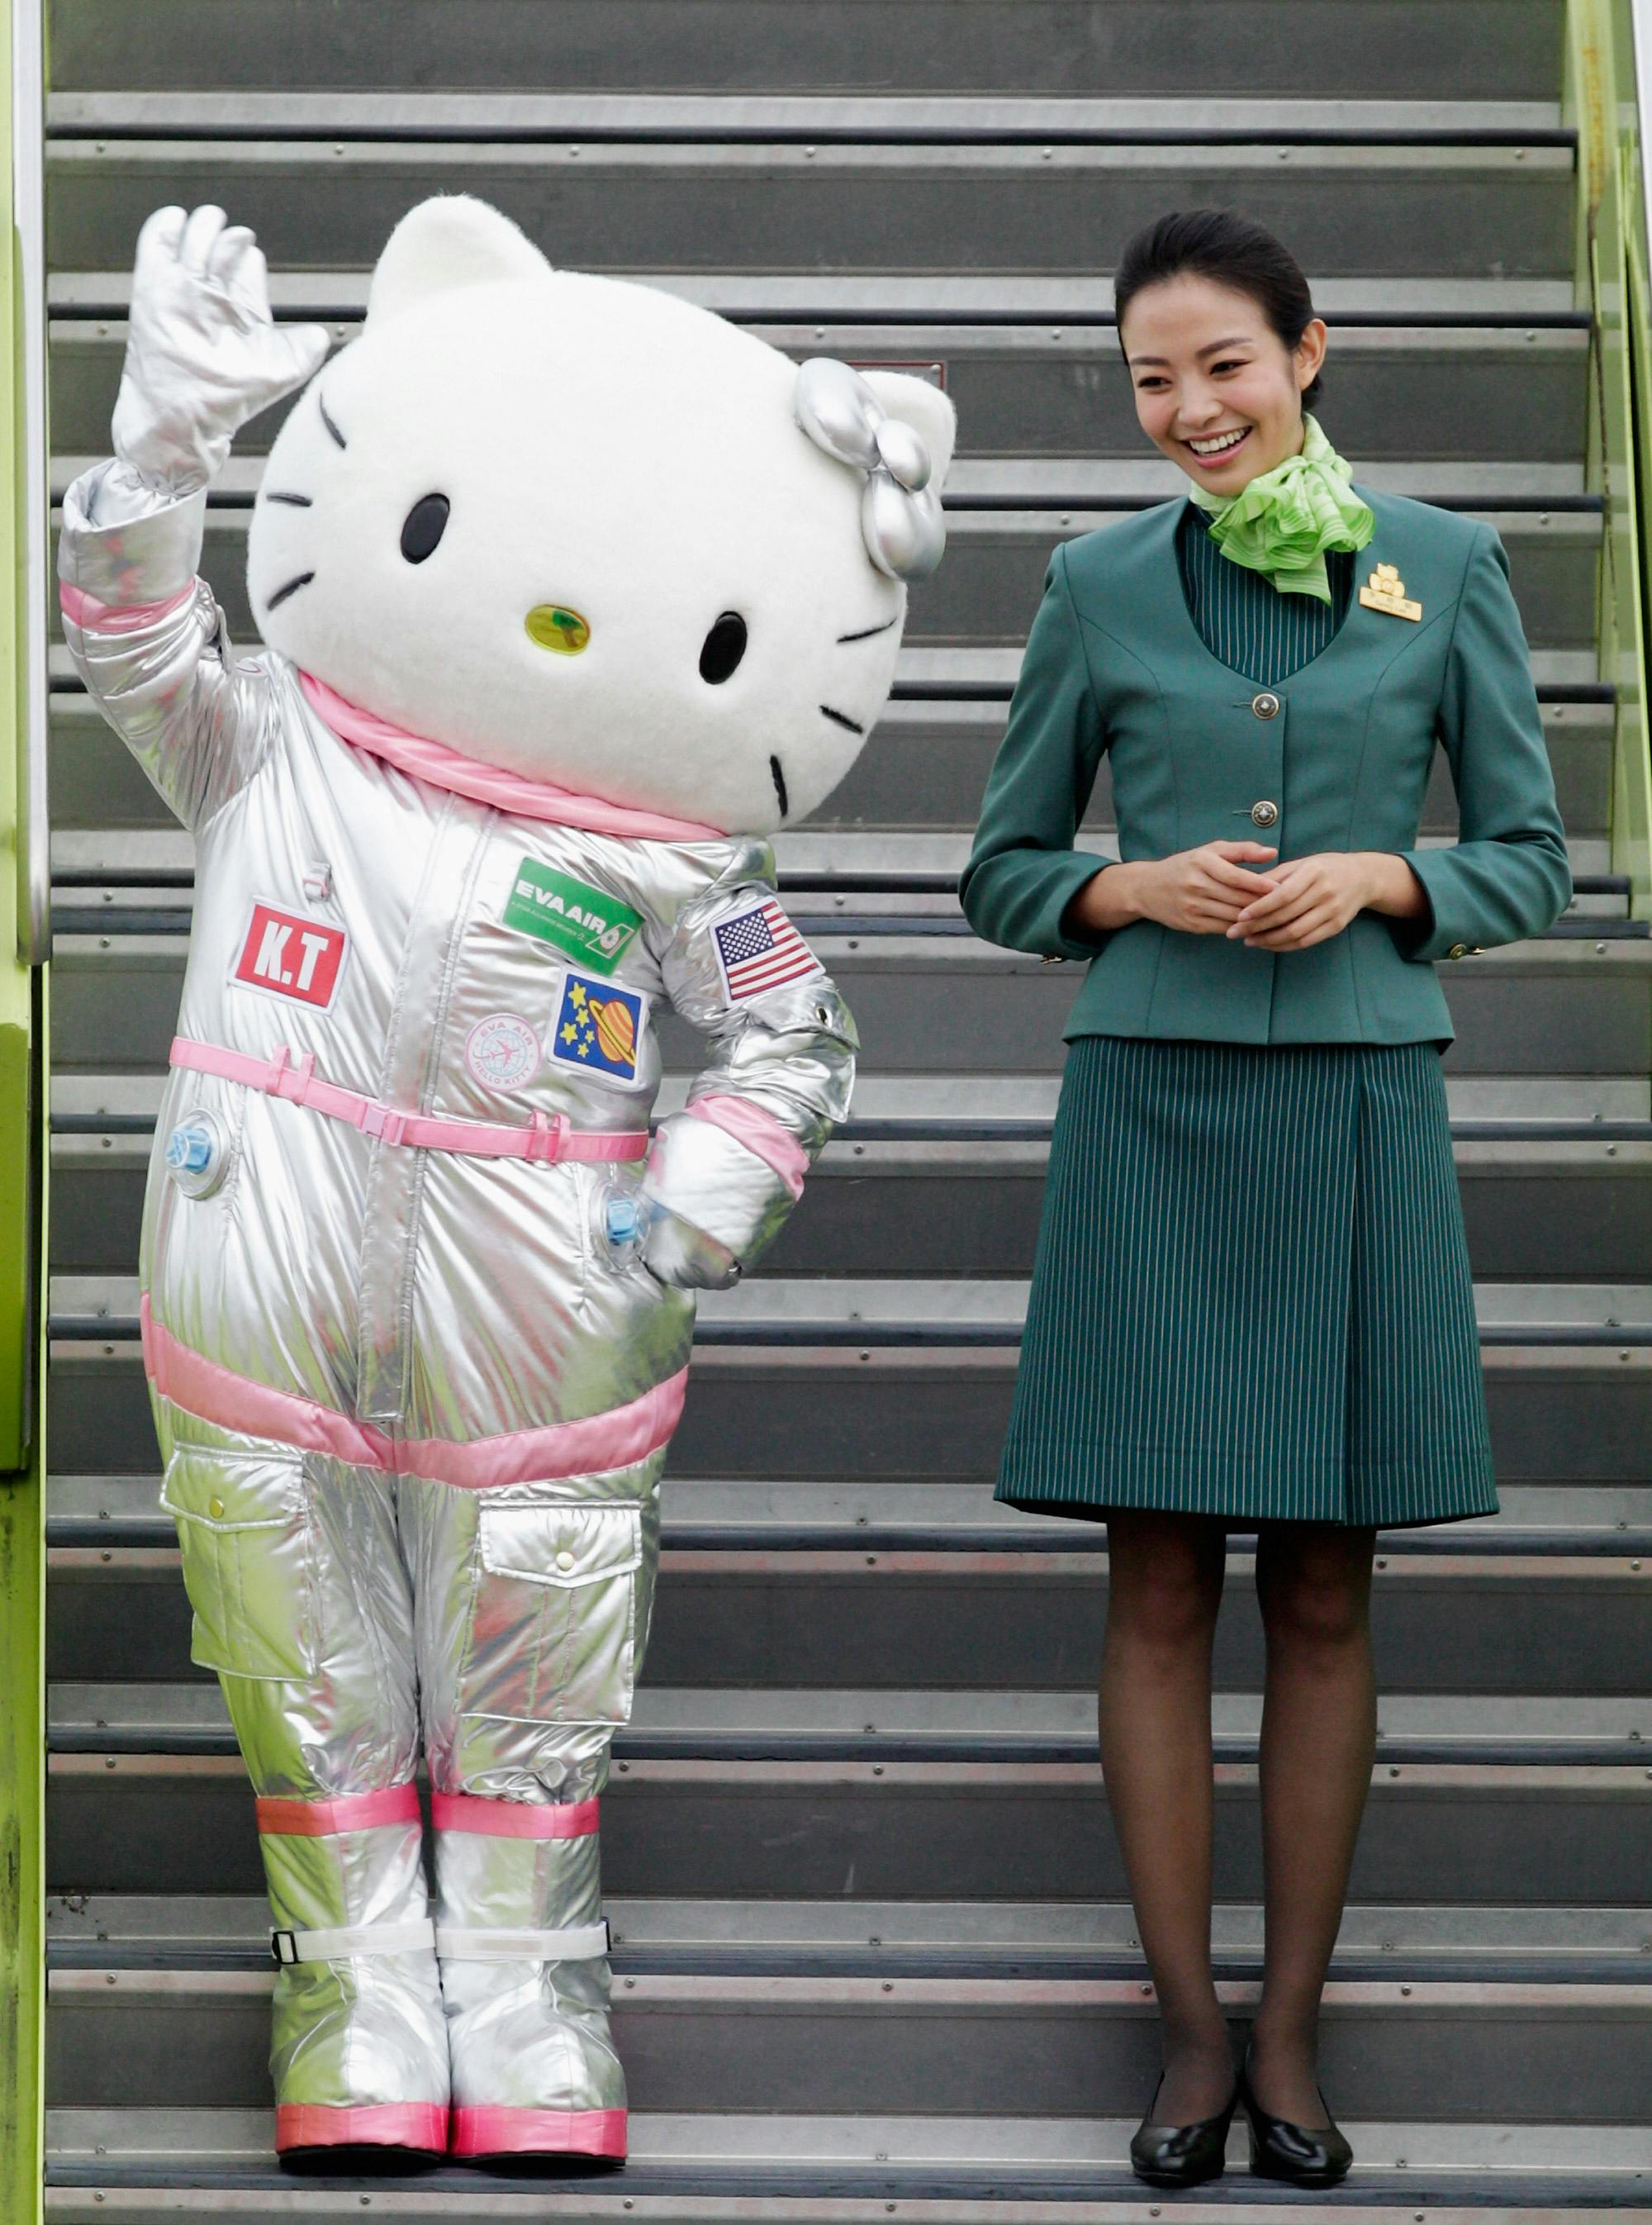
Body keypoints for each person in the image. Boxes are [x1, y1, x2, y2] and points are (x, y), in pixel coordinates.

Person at [960, 208, 1569, 2188]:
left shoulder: (1447, 568)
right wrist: (1119, 890)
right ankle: (1189, 2038)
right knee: (1151, 1584)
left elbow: (1536, 859)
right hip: (1151, 1116)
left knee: (1322, 1584)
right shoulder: (1091, 582)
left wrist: (1394, 883)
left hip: (1354, 1117)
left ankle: (1291, 2038)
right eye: (1151, 377)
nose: (1188, 407)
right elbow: (1002, 865)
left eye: (1222, 362)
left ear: (1311, 353)